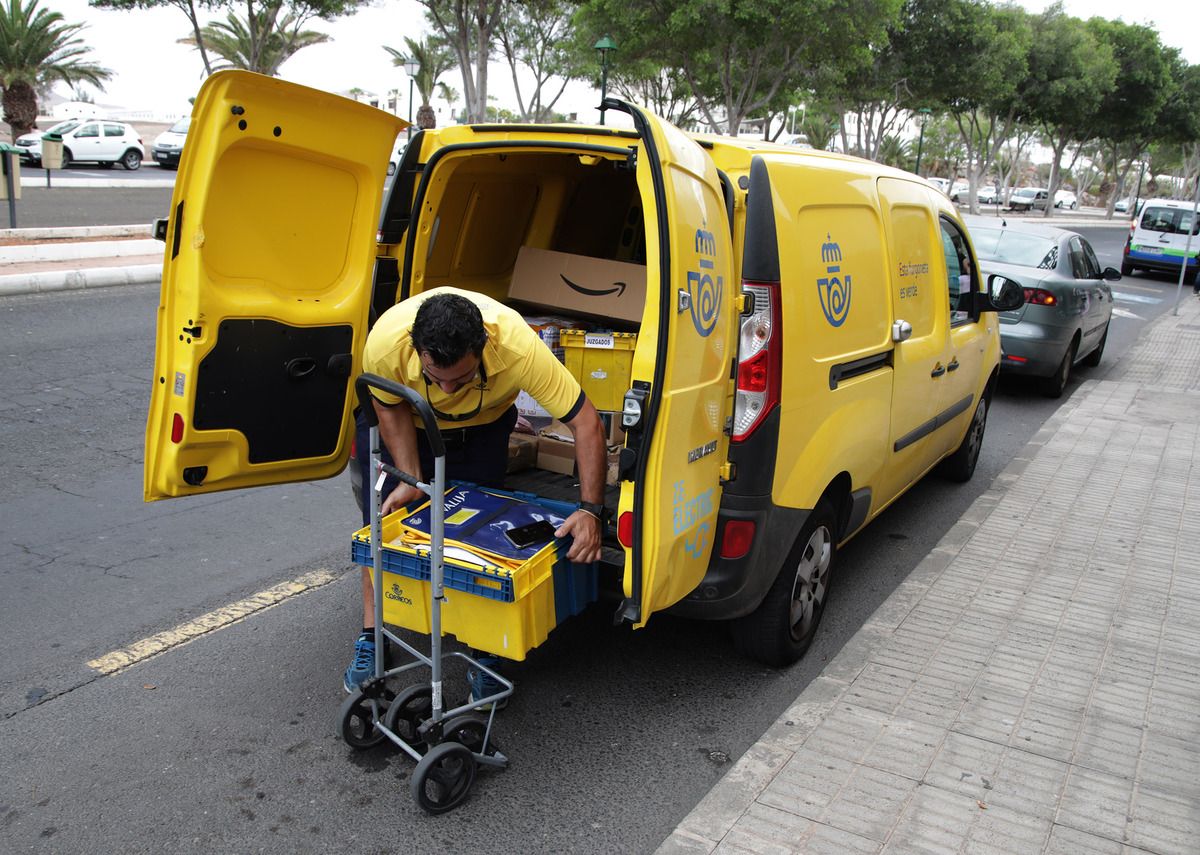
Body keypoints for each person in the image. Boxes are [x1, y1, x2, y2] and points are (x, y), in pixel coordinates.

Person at [345, 287, 607, 694]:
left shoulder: (519, 347)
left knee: (481, 536)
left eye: (462, 377)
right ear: (416, 351)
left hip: (483, 428)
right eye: (436, 377)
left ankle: (486, 647)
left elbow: (586, 422)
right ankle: (371, 633)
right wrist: (413, 478)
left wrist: (591, 510)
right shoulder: (385, 343)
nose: (448, 391)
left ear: (484, 348)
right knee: (385, 531)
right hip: (407, 422)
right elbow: (388, 405)